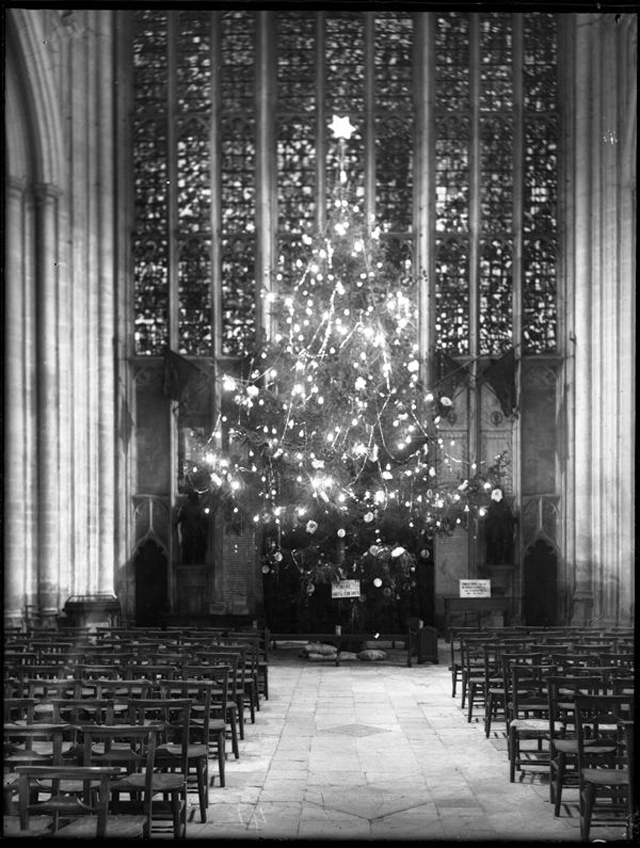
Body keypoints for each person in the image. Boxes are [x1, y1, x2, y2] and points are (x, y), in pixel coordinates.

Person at [484, 488, 516, 565]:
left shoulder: (506, 507)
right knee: (493, 543)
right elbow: (487, 519)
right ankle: (493, 559)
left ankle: (503, 559)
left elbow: (510, 518)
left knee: (504, 543)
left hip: (503, 530)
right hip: (494, 530)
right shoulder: (490, 507)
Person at [176, 491, 208, 563]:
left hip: (197, 530)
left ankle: (198, 560)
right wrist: (176, 523)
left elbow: (203, 519)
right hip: (188, 529)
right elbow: (181, 517)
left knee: (198, 546)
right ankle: (187, 560)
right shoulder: (185, 507)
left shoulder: (200, 507)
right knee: (187, 545)